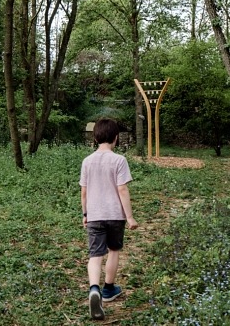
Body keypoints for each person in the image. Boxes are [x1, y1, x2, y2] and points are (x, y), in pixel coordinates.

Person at [79, 118, 138, 320]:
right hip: (115, 215)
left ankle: (93, 288)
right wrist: (129, 217)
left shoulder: (87, 161)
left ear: (95, 138)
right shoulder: (119, 160)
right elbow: (122, 189)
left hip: (94, 215)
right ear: (116, 138)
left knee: (95, 255)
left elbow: (84, 193)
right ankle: (109, 289)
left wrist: (85, 214)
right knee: (114, 250)